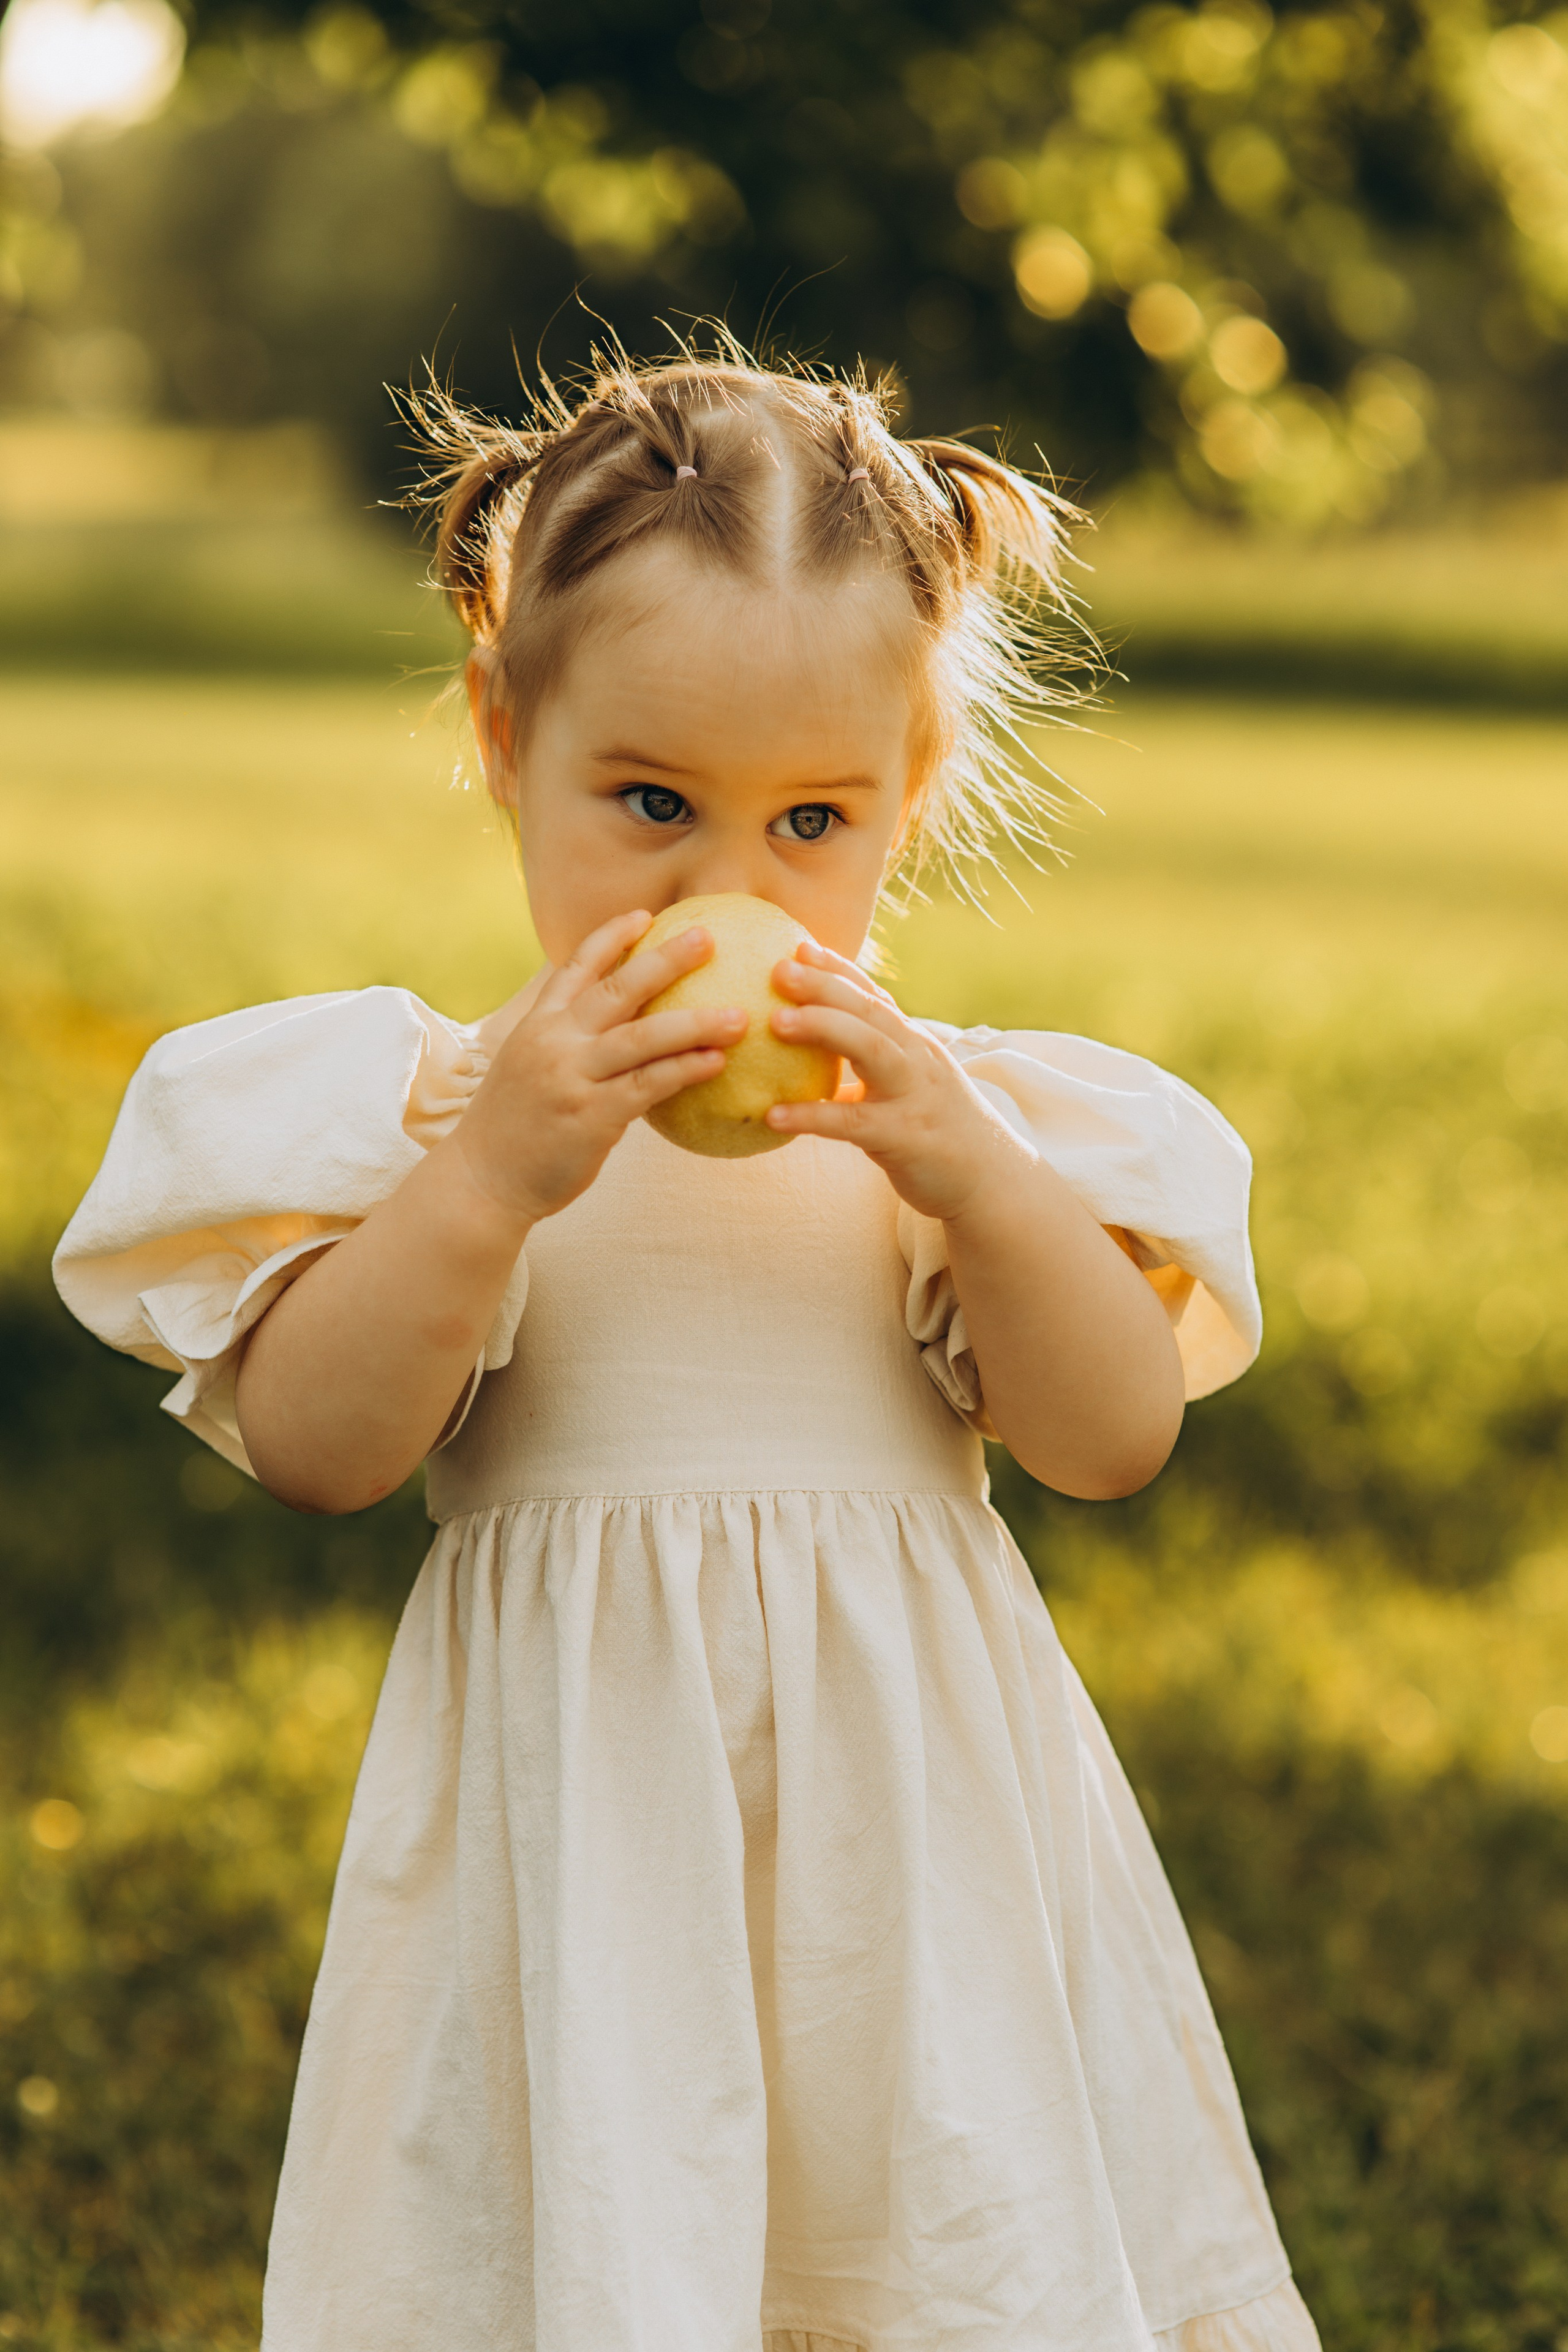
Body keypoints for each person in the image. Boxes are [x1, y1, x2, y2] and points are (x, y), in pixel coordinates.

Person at [55, 349, 1319, 2352]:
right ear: (502, 735)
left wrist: (986, 1192)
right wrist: (487, 1186)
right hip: (587, 1859)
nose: (727, 887)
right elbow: (320, 1446)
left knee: (929, 2246)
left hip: (912, 1874)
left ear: (914, 795)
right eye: (650, 801)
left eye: (813, 817)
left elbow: (1112, 1437)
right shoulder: (434, 1116)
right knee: (608, 2254)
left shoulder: (950, 1133)